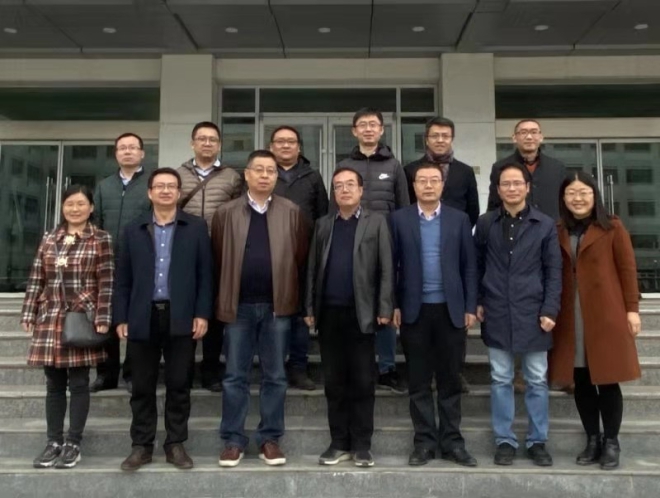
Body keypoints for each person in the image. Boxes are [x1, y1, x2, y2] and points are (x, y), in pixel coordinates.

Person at [213, 150, 308, 468]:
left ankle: (270, 438)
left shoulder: (291, 211)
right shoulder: (226, 213)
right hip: (238, 306)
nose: (265, 175)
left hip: (276, 306)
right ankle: (233, 440)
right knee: (234, 376)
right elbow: (218, 256)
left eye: (271, 171)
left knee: (275, 376)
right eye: (259, 170)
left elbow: (299, 257)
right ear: (247, 174)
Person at [115, 168, 214, 472]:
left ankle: (175, 443)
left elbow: (205, 275)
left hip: (181, 314)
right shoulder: (133, 229)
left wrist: (202, 313)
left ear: (179, 193)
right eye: (160, 186)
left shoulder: (196, 227)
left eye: (172, 186)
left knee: (179, 383)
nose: (166, 191)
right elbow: (123, 279)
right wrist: (121, 317)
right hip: (142, 315)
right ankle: (142, 445)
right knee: (142, 385)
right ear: (150, 192)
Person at [549, 172, 641, 470]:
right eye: (571, 193)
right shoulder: (557, 230)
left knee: (608, 379)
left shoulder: (612, 227)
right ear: (563, 198)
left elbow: (627, 269)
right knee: (581, 380)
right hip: (570, 314)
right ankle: (592, 438)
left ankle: (611, 441)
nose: (578, 198)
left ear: (594, 195)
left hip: (606, 313)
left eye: (584, 192)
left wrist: (632, 309)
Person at [474, 162, 562, 467]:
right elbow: (477, 265)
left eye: (517, 183)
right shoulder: (486, 223)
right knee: (501, 378)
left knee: (536, 379)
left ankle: (537, 440)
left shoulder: (545, 224)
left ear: (527, 187)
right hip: (496, 308)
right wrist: (478, 299)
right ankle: (505, 439)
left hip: (534, 310)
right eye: (505, 184)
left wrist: (550, 308)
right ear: (498, 190)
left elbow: (553, 270)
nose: (511, 188)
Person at [305, 167, 393, 468]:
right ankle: (339, 442)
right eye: (338, 186)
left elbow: (386, 268)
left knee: (362, 381)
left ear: (361, 190)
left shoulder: (376, 222)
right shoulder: (323, 224)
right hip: (329, 314)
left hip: (362, 314)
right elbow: (312, 270)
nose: (344, 190)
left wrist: (385, 307)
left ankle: (362, 444)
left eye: (349, 185)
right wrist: (309, 308)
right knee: (334, 382)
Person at [21, 185, 114, 469]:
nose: (75, 209)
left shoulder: (101, 238)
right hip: (50, 318)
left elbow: (107, 281)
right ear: (62, 207)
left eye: (81, 203)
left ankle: (74, 442)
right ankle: (54, 442)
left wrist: (103, 317)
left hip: (81, 318)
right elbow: (37, 277)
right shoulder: (50, 237)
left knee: (79, 383)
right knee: (54, 385)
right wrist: (29, 311)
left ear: (91, 207)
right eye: (70, 204)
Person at [391, 163, 478, 468]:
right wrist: (394, 304)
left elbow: (469, 266)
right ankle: (424, 443)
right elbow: (391, 265)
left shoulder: (459, 219)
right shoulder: (399, 219)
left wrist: (470, 306)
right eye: (422, 181)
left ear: (442, 185)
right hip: (414, 310)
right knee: (418, 382)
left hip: (450, 310)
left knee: (450, 381)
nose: (428, 186)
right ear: (414, 186)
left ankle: (453, 442)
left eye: (434, 181)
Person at [487, 120, 568, 393]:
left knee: (553, 304)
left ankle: (561, 370)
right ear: (514, 138)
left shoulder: (557, 168)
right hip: (511, 239)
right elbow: (492, 205)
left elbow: (565, 203)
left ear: (541, 136)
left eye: (533, 132)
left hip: (550, 237)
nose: (529, 137)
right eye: (523, 132)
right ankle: (521, 372)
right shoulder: (501, 167)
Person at [332, 107, 409, 394]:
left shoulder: (394, 166)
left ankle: (386, 367)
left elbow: (403, 208)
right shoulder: (344, 165)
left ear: (381, 130)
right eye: (362, 125)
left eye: (373, 124)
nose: (368, 129)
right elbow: (333, 208)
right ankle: (355, 365)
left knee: (384, 303)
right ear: (354, 131)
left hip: (384, 246)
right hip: (349, 244)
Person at [404, 116, 480, 394]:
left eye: (445, 136)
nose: (440, 140)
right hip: (419, 245)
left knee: (454, 322)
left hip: (454, 246)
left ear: (451, 138)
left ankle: (454, 372)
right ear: (426, 138)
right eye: (435, 135)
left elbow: (473, 209)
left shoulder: (464, 171)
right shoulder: (410, 169)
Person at [177, 121, 243, 392]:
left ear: (219, 145)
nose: (207, 143)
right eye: (202, 139)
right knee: (184, 308)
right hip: (184, 250)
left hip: (220, 251)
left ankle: (211, 370)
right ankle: (183, 370)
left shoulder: (232, 177)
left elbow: (240, 213)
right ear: (192, 143)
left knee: (214, 313)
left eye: (212, 139)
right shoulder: (178, 175)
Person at [91, 132, 152, 393]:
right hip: (107, 262)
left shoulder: (151, 184)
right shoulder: (104, 186)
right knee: (107, 318)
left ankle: (132, 372)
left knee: (136, 318)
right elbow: (95, 223)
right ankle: (106, 374)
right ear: (116, 154)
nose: (127, 152)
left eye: (133, 147)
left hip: (140, 261)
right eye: (122, 148)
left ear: (142, 153)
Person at [270, 124, 329, 390]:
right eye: (280, 141)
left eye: (291, 141)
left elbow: (323, 216)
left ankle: (298, 368)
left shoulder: (312, 177)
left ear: (299, 147)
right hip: (269, 255)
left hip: (304, 256)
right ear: (271, 147)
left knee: (300, 316)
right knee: (272, 315)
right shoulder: (264, 173)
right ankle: (274, 369)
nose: (285, 145)